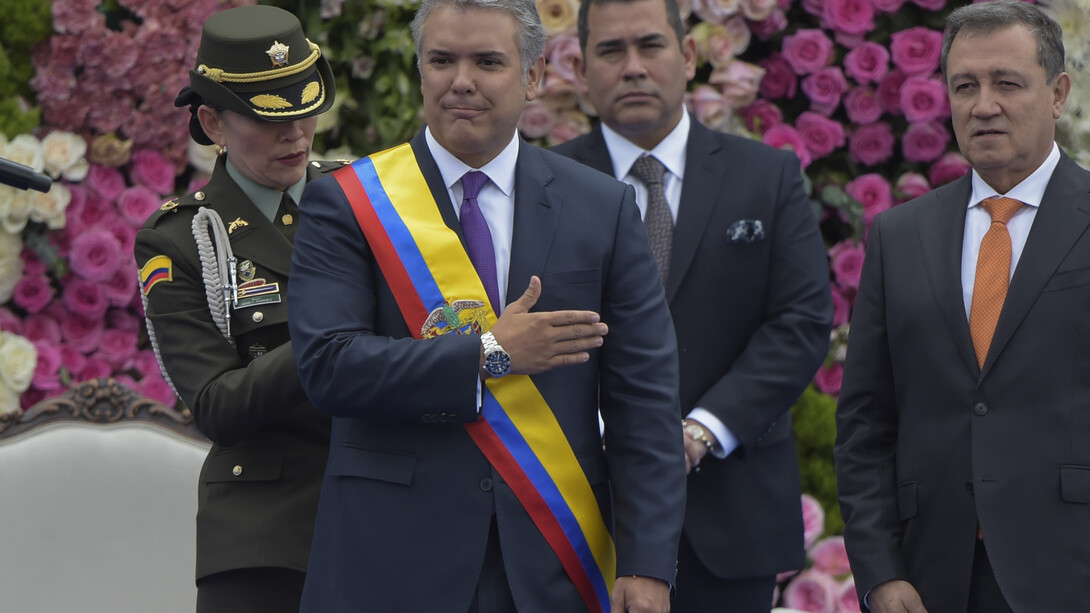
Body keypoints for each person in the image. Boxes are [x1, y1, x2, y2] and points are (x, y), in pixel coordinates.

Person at [285, 0, 687, 611]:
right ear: (420, 71)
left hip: (551, 560)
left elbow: (645, 400)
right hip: (389, 560)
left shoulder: (601, 207)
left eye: (488, 61)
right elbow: (329, 368)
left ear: (533, 76)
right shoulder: (347, 204)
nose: (461, 80)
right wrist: (490, 354)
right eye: (442, 60)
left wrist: (649, 562)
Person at [553, 0, 832, 610]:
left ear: (687, 57)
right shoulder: (543, 184)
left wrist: (699, 431)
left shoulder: (768, 176)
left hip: (730, 519)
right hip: (580, 514)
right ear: (580, 69)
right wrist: (618, 435)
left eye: (650, 46)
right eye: (610, 50)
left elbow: (801, 322)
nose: (632, 67)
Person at [834, 2, 1090, 612]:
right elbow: (866, 422)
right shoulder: (900, 235)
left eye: (1007, 83)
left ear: (1058, 94)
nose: (983, 105)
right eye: (964, 86)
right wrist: (878, 571)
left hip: (1070, 569)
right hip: (932, 577)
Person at [133, 5, 341, 612]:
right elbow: (219, 405)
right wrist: (333, 343)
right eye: (265, 118)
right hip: (265, 536)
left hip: (385, 504)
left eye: (305, 110)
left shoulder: (363, 200)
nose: (296, 134)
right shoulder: (180, 237)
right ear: (212, 123)